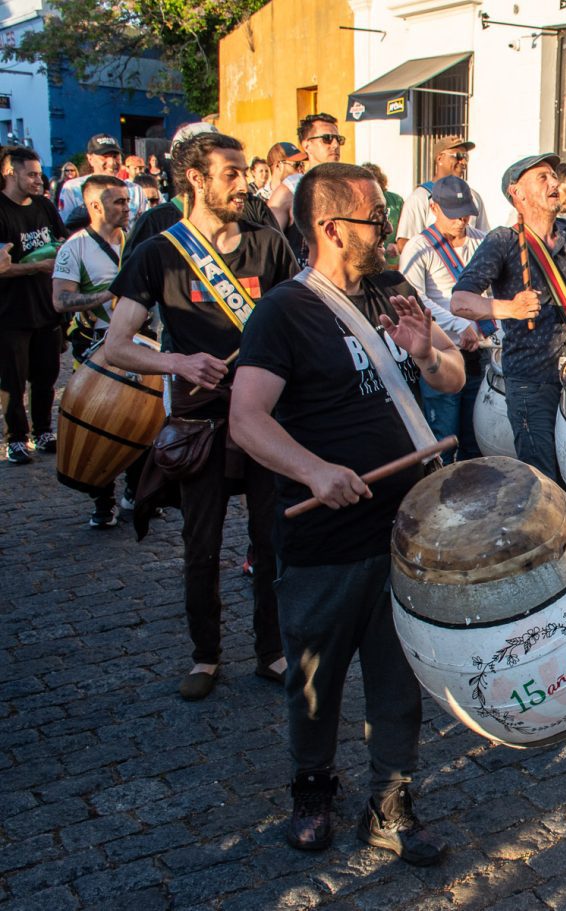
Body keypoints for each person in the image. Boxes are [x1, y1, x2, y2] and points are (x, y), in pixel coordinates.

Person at [231, 161, 463, 865]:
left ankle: (392, 802)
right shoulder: (285, 311)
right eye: (375, 221)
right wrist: (313, 470)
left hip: (402, 528)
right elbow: (246, 418)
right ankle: (312, 788)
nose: (387, 232)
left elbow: (452, 372)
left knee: (398, 678)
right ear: (332, 228)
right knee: (314, 678)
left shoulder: (393, 290)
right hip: (323, 538)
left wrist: (427, 355)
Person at [103, 130, 298, 701]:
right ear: (196, 178)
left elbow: (299, 324)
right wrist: (177, 361)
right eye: (232, 172)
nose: (246, 182)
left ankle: (272, 650)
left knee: (272, 537)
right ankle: (206, 657)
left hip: (265, 416)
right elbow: (117, 345)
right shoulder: (157, 254)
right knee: (201, 542)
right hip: (200, 420)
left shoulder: (270, 245)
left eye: (246, 171)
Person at [449, 153, 566, 483]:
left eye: (554, 177)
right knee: (543, 478)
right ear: (517, 193)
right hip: (530, 381)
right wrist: (508, 308)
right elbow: (460, 301)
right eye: (543, 178)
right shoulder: (502, 241)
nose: (555, 183)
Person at [51, 174, 134, 526]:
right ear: (95, 206)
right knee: (100, 424)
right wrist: (106, 294)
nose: (126, 208)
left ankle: (138, 491)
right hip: (95, 347)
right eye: (118, 202)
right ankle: (103, 500)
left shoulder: (134, 241)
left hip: (138, 344)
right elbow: (60, 300)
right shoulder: (75, 247)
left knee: (142, 419)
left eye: (127, 201)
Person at [398, 175, 486, 461]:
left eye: (465, 215)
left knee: (476, 436)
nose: (460, 222)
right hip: (443, 352)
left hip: (480, 352)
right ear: (433, 208)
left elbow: (493, 289)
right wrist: (459, 326)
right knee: (443, 437)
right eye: (453, 215)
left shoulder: (481, 241)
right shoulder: (418, 247)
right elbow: (417, 300)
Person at [0, 146, 66, 465]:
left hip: (46, 307)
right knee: (13, 381)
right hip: (11, 313)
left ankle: (42, 431)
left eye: (40, 174)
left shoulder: (43, 205)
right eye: (32, 174)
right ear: (9, 173)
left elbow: (61, 241)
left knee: (46, 376)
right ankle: (16, 438)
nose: (39, 180)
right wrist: (35, 267)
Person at [126, 123, 280, 253]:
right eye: (230, 174)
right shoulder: (155, 222)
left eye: (244, 174)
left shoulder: (254, 210)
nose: (244, 187)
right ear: (194, 176)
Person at [269, 114, 344, 262]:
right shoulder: (291, 189)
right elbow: (270, 244)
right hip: (304, 277)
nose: (335, 145)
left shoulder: (347, 186)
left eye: (339, 139)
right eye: (327, 138)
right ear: (307, 145)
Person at [395, 137, 489, 254]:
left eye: (466, 157)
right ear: (440, 158)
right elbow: (404, 244)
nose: (463, 162)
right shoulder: (420, 198)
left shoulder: (473, 197)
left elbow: (485, 239)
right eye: (458, 156)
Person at [58, 134, 148, 224]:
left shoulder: (136, 191)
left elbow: (145, 227)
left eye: (115, 156)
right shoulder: (72, 188)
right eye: (104, 157)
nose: (112, 163)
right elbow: (65, 226)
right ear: (90, 159)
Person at [360, 162, 406, 267]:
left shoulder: (396, 200)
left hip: (393, 261)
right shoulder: (360, 202)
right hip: (368, 260)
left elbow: (405, 227)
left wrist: (396, 244)